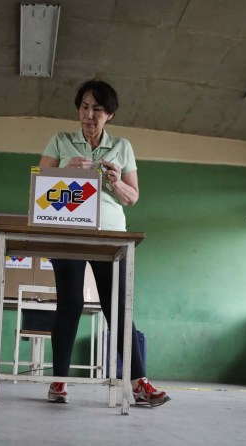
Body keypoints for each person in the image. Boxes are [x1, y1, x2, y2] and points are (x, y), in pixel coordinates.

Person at [39, 79, 171, 407]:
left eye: (97, 109)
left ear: (109, 114)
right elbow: (39, 185)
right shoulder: (60, 140)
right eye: (84, 107)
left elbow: (132, 198)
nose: (89, 114)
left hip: (110, 236)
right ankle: (59, 381)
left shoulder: (122, 147)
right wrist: (66, 170)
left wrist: (113, 181)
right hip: (68, 230)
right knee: (70, 303)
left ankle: (139, 383)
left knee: (118, 307)